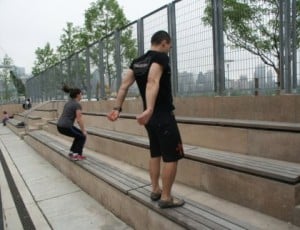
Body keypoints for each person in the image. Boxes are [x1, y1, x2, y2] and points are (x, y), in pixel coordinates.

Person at [107, 30, 185, 208]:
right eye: (169, 45)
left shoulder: (137, 62)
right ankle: (166, 197)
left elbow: (124, 86)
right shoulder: (161, 57)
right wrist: (150, 108)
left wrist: (116, 108)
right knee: (171, 157)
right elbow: (152, 81)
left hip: (149, 120)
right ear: (163, 43)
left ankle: (155, 189)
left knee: (155, 153)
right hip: (162, 115)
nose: (170, 48)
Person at [57, 85, 87, 161]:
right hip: (66, 126)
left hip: (60, 126)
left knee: (79, 135)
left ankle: (72, 152)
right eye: (81, 94)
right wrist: (84, 130)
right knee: (82, 136)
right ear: (77, 95)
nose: (82, 96)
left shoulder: (68, 103)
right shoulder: (77, 105)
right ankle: (76, 155)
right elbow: (79, 119)